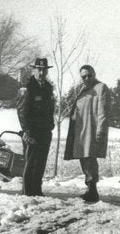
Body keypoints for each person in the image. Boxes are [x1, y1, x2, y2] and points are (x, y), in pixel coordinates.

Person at [63, 64, 111, 202]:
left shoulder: (101, 88)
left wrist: (100, 130)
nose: (87, 78)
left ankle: (92, 190)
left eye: (89, 75)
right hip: (81, 131)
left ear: (94, 74)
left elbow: (103, 111)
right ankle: (89, 189)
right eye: (84, 76)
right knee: (84, 158)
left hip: (91, 130)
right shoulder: (83, 90)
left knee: (90, 158)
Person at [17, 57, 55, 196]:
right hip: (31, 132)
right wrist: (26, 131)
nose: (41, 72)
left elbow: (50, 109)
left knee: (41, 162)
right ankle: (27, 192)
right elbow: (22, 111)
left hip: (44, 132)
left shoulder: (48, 87)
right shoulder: (28, 87)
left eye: (44, 70)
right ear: (34, 70)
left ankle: (37, 191)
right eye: (39, 69)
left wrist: (51, 126)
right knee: (31, 162)